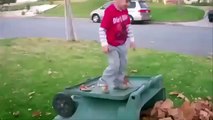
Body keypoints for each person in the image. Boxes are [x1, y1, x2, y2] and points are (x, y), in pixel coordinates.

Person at [98, 0, 136, 93]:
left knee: (123, 64)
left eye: (129, 2)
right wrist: (104, 44)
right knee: (115, 65)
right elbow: (102, 29)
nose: (128, 4)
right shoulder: (110, 11)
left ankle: (118, 83)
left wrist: (132, 40)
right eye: (126, 1)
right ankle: (103, 82)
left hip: (122, 43)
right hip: (111, 45)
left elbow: (128, 26)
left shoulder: (124, 10)